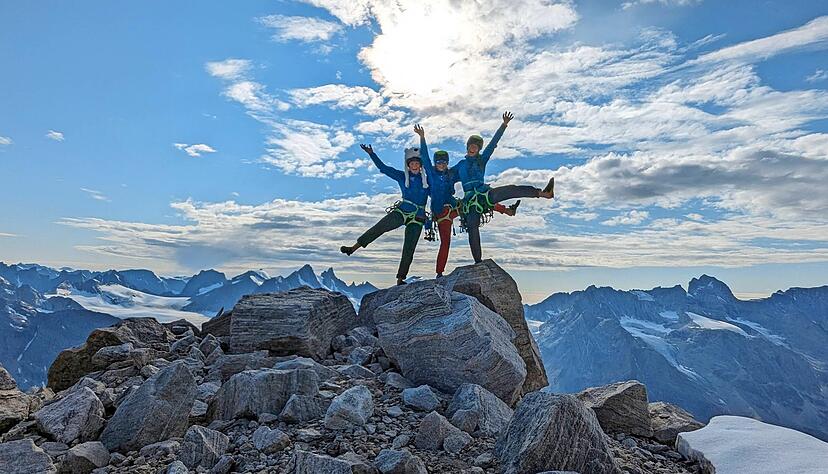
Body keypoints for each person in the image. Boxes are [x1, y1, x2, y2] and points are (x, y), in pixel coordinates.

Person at [414, 124, 519, 277]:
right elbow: (425, 156)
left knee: (479, 201)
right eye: (439, 162)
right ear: (435, 163)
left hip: (455, 207)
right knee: (445, 243)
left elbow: (468, 171)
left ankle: (507, 210)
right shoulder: (431, 173)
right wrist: (422, 138)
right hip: (441, 213)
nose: (441, 164)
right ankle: (439, 273)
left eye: (444, 162)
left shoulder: (451, 175)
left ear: (447, 163)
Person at [453, 111, 555, 263]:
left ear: (479, 149)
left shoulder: (481, 160)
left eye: (476, 146)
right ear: (467, 147)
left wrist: (504, 125)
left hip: (483, 194)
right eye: (471, 145)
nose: (473, 148)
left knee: (509, 190)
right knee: (472, 227)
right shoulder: (459, 166)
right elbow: (445, 177)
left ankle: (544, 193)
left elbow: (493, 144)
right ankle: (478, 262)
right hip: (469, 201)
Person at [340, 143, 430, 285]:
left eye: (417, 163)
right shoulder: (401, 176)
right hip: (402, 211)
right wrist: (372, 154)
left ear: (420, 166)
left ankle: (401, 279)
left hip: (418, 217)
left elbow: (438, 193)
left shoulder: (427, 181)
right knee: (379, 227)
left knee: (409, 247)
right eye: (412, 163)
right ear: (408, 165)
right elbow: (384, 168)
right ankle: (353, 248)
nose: (414, 165)